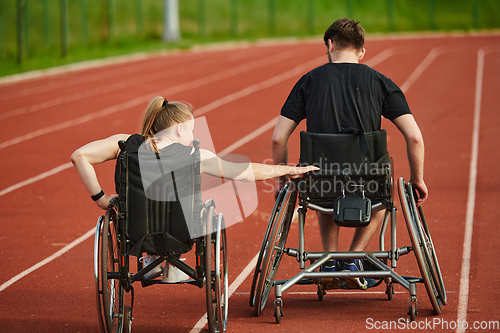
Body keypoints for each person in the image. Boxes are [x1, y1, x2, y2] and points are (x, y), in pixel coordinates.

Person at [72, 96, 317, 279]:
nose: (192, 135)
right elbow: (246, 172)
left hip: (134, 232)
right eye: (191, 129)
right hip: (182, 234)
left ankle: (152, 258)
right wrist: (287, 169)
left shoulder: (125, 144)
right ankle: (168, 262)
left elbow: (79, 156)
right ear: (179, 128)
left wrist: (102, 200)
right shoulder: (195, 155)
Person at [271, 18, 427, 289]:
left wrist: (281, 180)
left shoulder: (308, 81)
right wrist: (418, 179)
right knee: (384, 191)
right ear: (362, 51)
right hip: (367, 183)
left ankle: (329, 260)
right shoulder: (380, 82)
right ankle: (354, 258)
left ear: (329, 45)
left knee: (322, 181)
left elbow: (277, 139)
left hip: (320, 182)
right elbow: (414, 136)